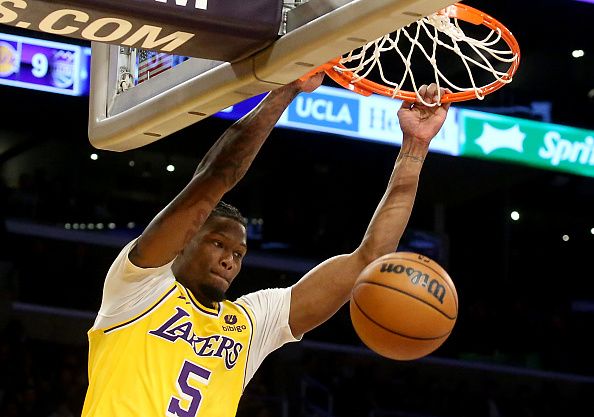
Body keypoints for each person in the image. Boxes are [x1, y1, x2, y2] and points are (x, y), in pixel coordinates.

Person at [81, 74, 451, 417]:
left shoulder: (250, 323)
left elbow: (368, 260)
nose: (229, 260)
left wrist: (415, 148)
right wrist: (286, 87)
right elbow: (216, 177)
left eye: (238, 254)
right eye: (217, 243)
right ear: (185, 241)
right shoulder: (138, 286)